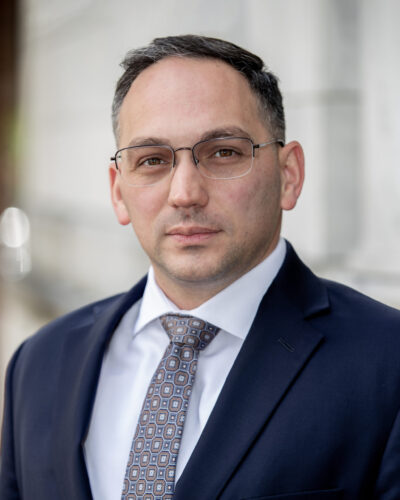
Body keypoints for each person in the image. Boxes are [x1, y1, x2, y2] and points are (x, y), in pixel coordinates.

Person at [1, 34, 400, 500]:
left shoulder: (386, 364)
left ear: (288, 175)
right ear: (118, 191)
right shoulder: (39, 362)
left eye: (223, 152)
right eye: (152, 160)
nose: (186, 192)